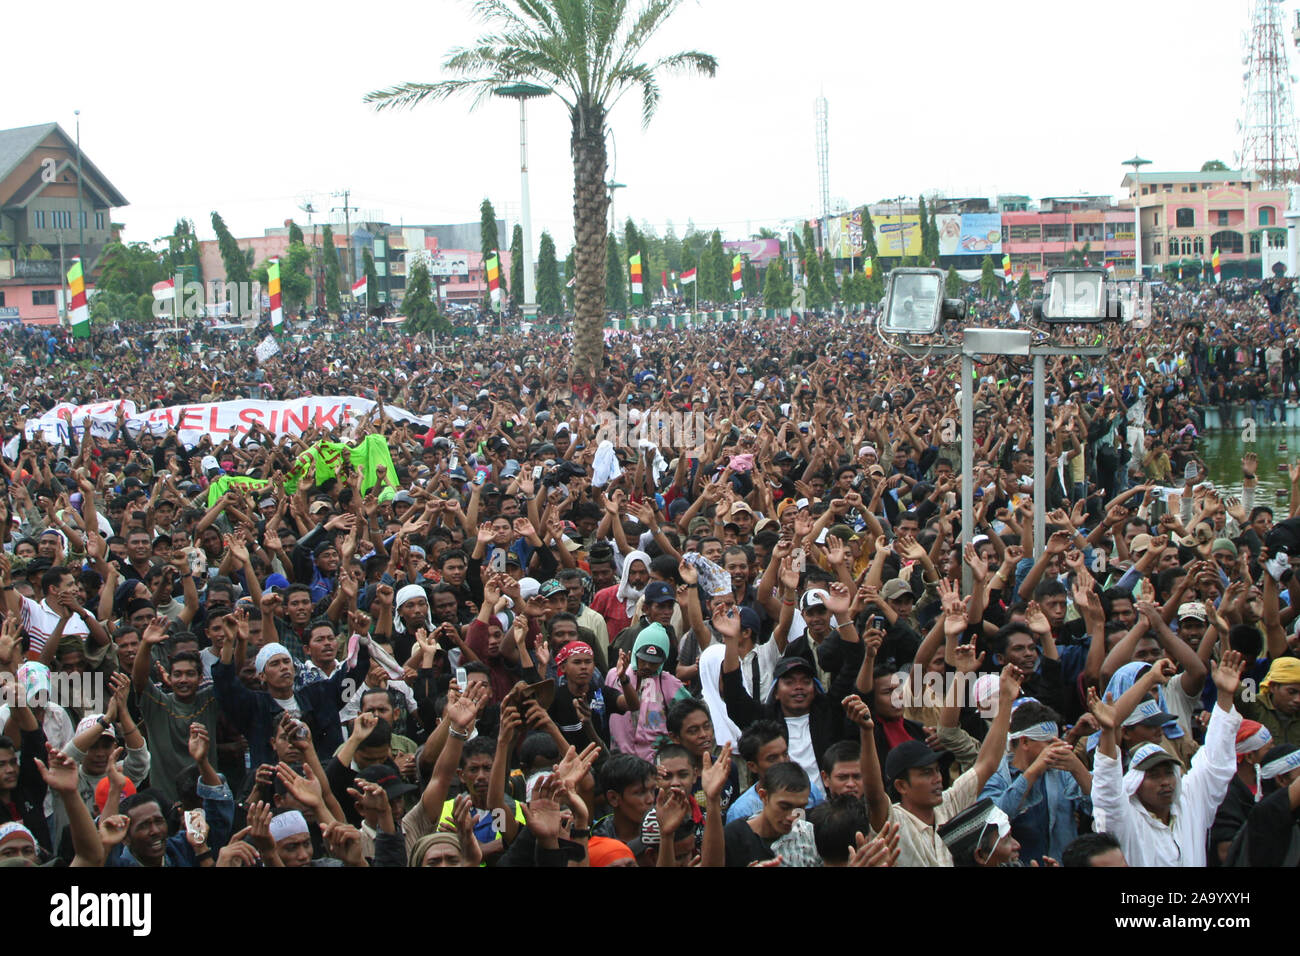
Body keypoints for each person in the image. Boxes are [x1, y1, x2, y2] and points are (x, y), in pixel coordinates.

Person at [1089, 652, 1246, 867]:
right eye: (1153, 775)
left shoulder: (1189, 803)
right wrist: (1108, 732)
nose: (1165, 781)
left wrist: (1225, 697)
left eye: (1168, 773)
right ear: (1136, 783)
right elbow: (1106, 790)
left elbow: (1215, 762)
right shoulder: (1125, 818)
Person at [979, 699, 1092, 864]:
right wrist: (1032, 772)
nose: (1059, 746)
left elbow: (1100, 808)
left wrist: (1078, 769)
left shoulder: (1062, 772)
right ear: (1025, 742)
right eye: (1049, 742)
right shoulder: (996, 775)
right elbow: (990, 822)